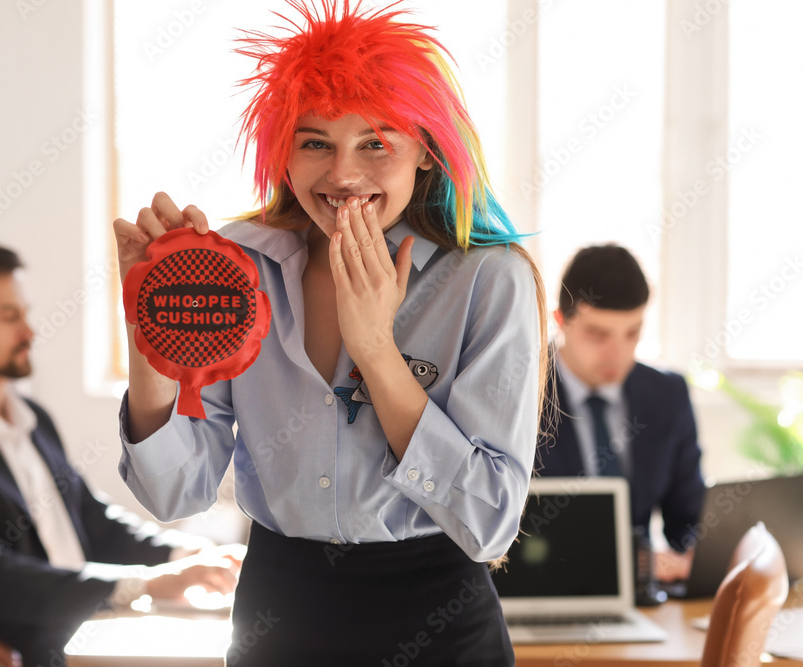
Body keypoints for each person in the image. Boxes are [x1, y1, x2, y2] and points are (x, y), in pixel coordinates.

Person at [112, 3, 549, 665]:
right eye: (315, 141)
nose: (343, 172)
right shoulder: (239, 266)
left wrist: (375, 348)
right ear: (282, 150)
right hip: (278, 620)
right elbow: (178, 491)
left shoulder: (489, 280)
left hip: (440, 622)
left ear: (425, 149)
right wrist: (149, 331)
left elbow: (490, 523)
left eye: (375, 142)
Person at [0, 242, 242, 667]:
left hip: (75, 631)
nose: (30, 330)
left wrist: (186, 555)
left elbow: (92, 518)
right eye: (9, 316)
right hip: (7, 653)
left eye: (25, 313)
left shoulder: (32, 418)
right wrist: (144, 585)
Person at [534, 244, 705, 582]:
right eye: (598, 335)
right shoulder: (521, 393)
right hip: (547, 586)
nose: (617, 353)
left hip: (641, 598)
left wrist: (690, 558)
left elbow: (690, 519)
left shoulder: (666, 395)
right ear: (559, 321)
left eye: (632, 333)